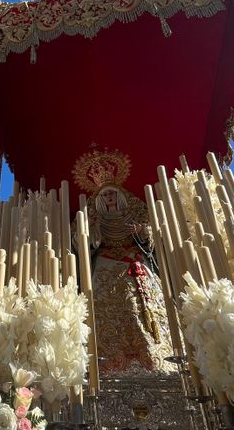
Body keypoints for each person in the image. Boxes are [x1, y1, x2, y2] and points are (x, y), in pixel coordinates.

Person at [72, 149, 175, 376]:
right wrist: (92, 230)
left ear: (118, 196)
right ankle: (107, 359)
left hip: (134, 263)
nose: (109, 198)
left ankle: (157, 356)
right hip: (106, 264)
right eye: (105, 196)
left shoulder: (134, 215)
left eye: (111, 195)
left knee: (145, 307)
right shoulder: (94, 219)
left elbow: (152, 240)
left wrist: (141, 231)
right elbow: (81, 245)